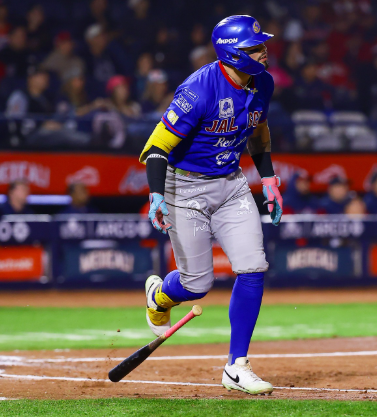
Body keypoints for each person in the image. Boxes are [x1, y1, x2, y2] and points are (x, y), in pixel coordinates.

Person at [139, 15, 281, 395]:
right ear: (233, 54)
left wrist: (268, 180)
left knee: (253, 267)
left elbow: (258, 130)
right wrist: (156, 194)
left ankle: (237, 366)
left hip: (232, 185)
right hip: (184, 188)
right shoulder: (198, 89)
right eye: (255, 48)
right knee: (197, 284)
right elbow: (157, 147)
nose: (264, 52)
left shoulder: (263, 82)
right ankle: (159, 296)